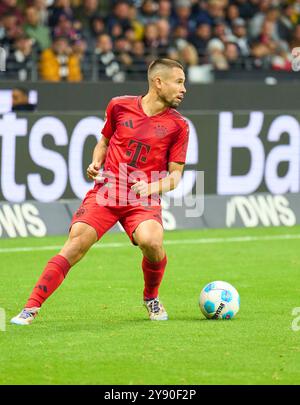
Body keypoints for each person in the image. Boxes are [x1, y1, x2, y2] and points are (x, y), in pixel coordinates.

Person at [11, 58, 189, 326]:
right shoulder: (119, 106)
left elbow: (175, 177)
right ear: (158, 82)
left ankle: (151, 297)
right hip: (108, 191)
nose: (183, 89)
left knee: (152, 242)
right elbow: (103, 142)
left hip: (143, 197)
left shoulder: (179, 125)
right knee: (75, 244)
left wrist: (151, 187)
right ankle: (30, 308)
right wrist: (96, 162)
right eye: (179, 82)